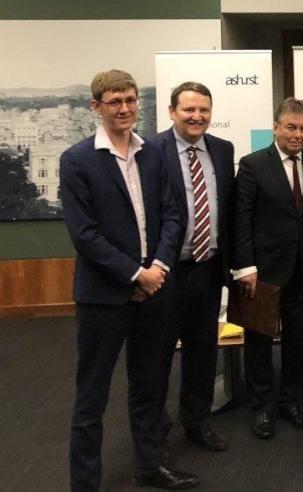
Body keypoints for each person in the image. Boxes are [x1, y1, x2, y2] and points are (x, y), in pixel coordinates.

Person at [60, 69, 197, 490]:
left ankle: (150, 465)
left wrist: (158, 269)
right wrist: (137, 274)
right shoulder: (77, 159)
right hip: (104, 296)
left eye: (131, 100)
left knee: (150, 385)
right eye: (114, 101)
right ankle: (85, 483)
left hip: (155, 290)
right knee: (92, 395)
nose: (124, 108)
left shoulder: (153, 153)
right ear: (96, 106)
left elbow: (172, 216)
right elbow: (85, 235)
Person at [232, 98, 303, 439]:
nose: (298, 134)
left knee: (297, 338)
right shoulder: (253, 164)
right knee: (258, 339)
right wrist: (245, 266)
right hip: (262, 270)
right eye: (291, 127)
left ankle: (291, 400)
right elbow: (241, 219)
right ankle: (261, 406)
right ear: (276, 127)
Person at [149, 81, 234, 452]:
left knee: (203, 352)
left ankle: (197, 422)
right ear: (172, 112)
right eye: (189, 109)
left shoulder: (223, 149)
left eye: (204, 109)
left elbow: (227, 208)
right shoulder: (150, 150)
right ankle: (154, 429)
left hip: (208, 268)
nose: (197, 116)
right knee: (158, 354)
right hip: (167, 271)